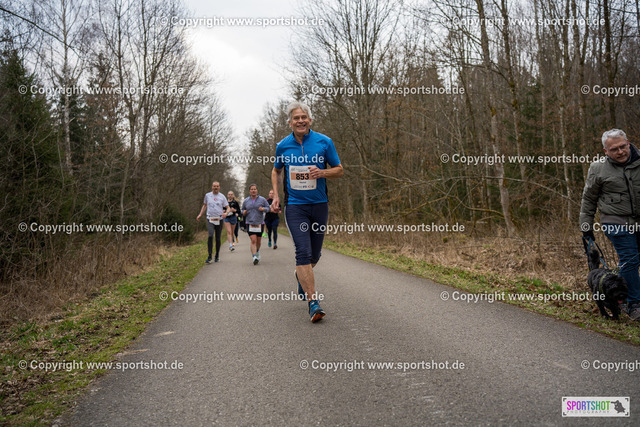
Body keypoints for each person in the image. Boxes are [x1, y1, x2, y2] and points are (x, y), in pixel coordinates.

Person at [271, 101, 343, 323]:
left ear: (310, 120)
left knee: (314, 256)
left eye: (304, 117)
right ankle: (313, 303)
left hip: (319, 204)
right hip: (295, 206)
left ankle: (300, 275)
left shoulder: (324, 142)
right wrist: (276, 195)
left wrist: (322, 173)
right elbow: (276, 170)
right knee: (302, 251)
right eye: (296, 118)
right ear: (290, 122)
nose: (300, 121)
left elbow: (339, 170)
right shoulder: (283, 146)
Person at [580, 128, 640, 321]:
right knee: (630, 259)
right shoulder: (598, 168)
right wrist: (586, 226)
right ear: (606, 151)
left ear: (628, 143)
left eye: (623, 146)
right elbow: (589, 199)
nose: (620, 151)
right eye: (614, 149)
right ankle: (634, 304)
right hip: (616, 220)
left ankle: (619, 293)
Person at [197, 181, 229, 264]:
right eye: (214, 186)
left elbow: (228, 207)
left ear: (219, 187)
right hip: (210, 218)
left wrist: (226, 213)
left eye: (217, 186)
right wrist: (200, 214)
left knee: (218, 238)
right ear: (212, 187)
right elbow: (205, 205)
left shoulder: (222, 196)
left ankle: (217, 255)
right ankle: (210, 256)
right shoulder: (207, 195)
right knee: (210, 235)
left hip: (219, 219)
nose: (216, 188)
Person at [242, 184, 270, 265]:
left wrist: (263, 209)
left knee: (258, 241)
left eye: (254, 189)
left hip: (259, 223)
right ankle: (254, 257)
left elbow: (268, 208)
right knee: (253, 240)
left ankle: (257, 251)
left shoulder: (262, 199)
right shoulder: (246, 201)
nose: (253, 190)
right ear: (249, 191)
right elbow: (242, 210)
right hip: (249, 223)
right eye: (252, 189)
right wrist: (244, 212)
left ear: (257, 190)